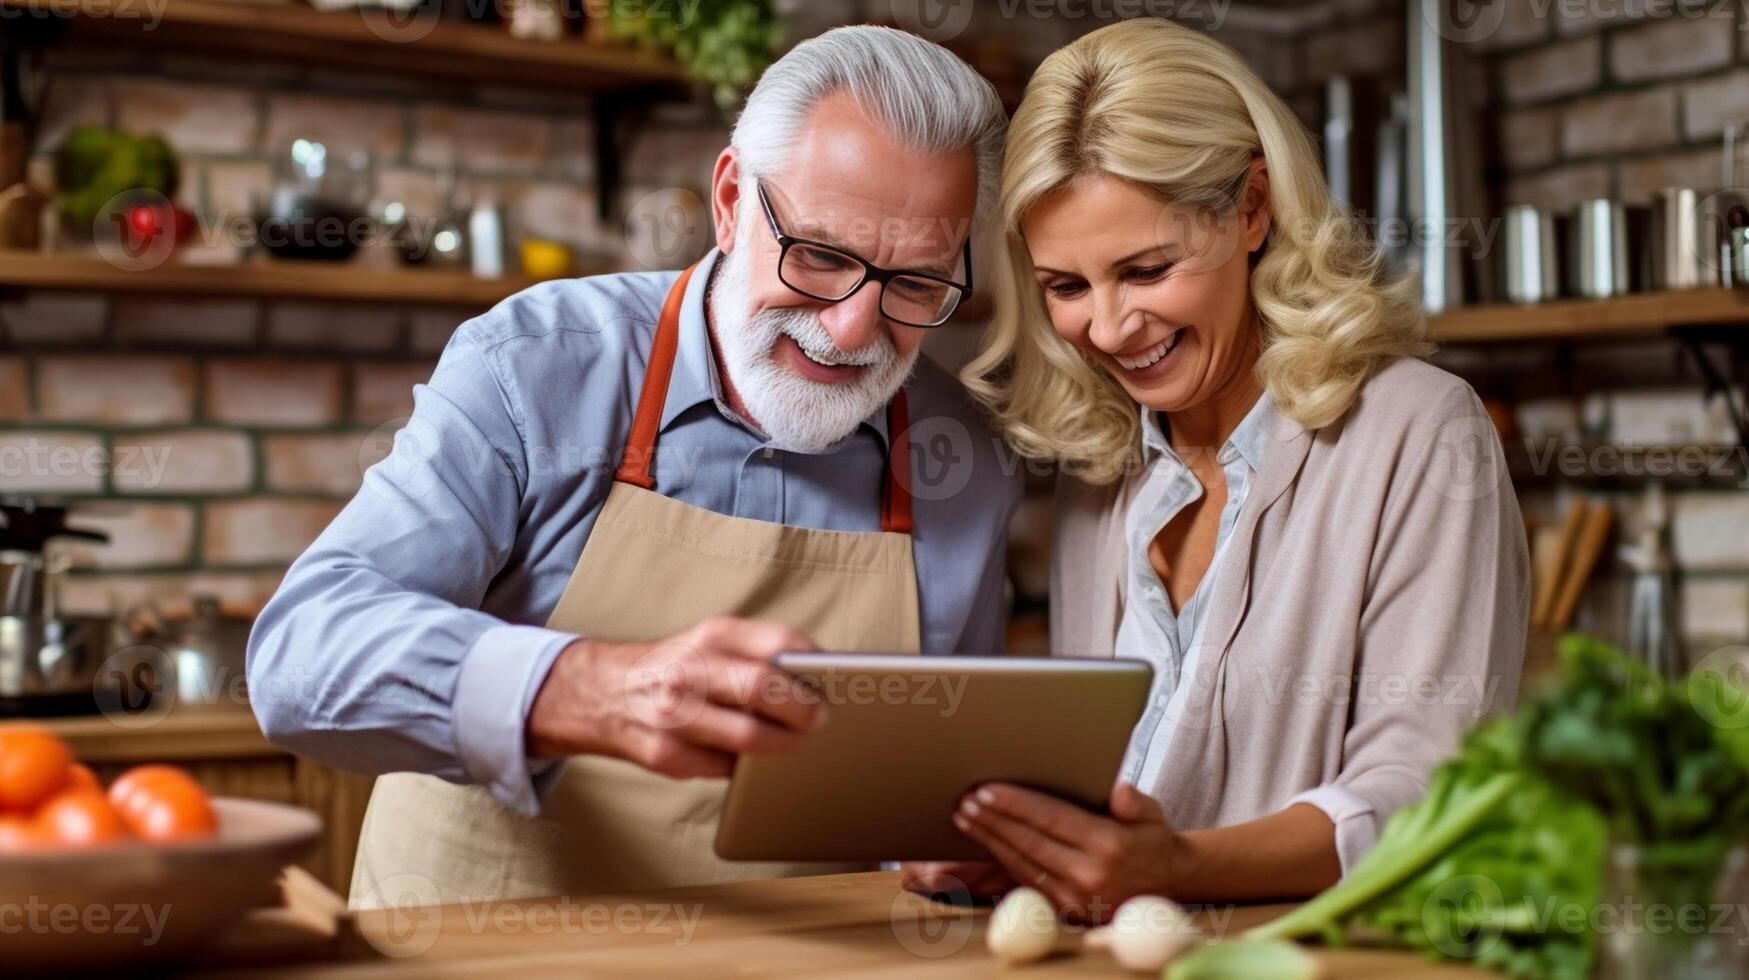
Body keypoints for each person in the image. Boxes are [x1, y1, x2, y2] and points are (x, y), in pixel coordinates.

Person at [247, 25, 1019, 906]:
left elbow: (931, 794)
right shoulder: (537, 365)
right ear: (730, 201)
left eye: (915, 284)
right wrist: (582, 688)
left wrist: (949, 850)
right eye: (820, 257)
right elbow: (300, 657)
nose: (852, 331)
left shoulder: (966, 461)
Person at [903, 18, 1528, 918]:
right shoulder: (1101, 467)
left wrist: (1175, 869)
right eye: (1066, 287)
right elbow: (1111, 792)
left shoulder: (1419, 433)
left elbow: (1426, 795)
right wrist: (1025, 847)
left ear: (1250, 208)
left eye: (1147, 269)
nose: (1111, 330)